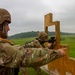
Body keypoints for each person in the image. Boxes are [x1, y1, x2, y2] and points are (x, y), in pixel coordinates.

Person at [0, 8, 66, 75]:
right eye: (6, 24)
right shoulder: (3, 47)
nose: (8, 28)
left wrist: (49, 46)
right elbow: (31, 55)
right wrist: (58, 53)